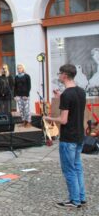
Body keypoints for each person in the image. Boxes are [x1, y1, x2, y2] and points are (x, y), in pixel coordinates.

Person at [44, 64, 86, 209]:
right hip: (80, 135)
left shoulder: (67, 95)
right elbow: (73, 103)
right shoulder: (81, 91)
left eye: (60, 73)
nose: (59, 75)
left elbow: (63, 120)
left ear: (65, 75)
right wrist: (59, 97)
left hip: (68, 138)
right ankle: (81, 197)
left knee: (69, 170)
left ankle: (74, 201)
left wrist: (49, 118)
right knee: (77, 167)